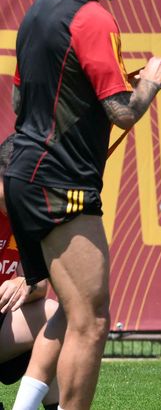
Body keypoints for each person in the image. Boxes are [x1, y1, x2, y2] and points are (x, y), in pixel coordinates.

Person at [3, 0, 161, 408]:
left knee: (70, 309)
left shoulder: (38, 9)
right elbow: (122, 112)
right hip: (61, 183)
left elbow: (19, 100)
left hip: (24, 174)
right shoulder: (93, 16)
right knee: (92, 319)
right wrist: (149, 84)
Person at [0, 136, 61, 410]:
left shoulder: (26, 216)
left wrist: (25, 281)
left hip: (3, 323)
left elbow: (40, 286)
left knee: (55, 315)